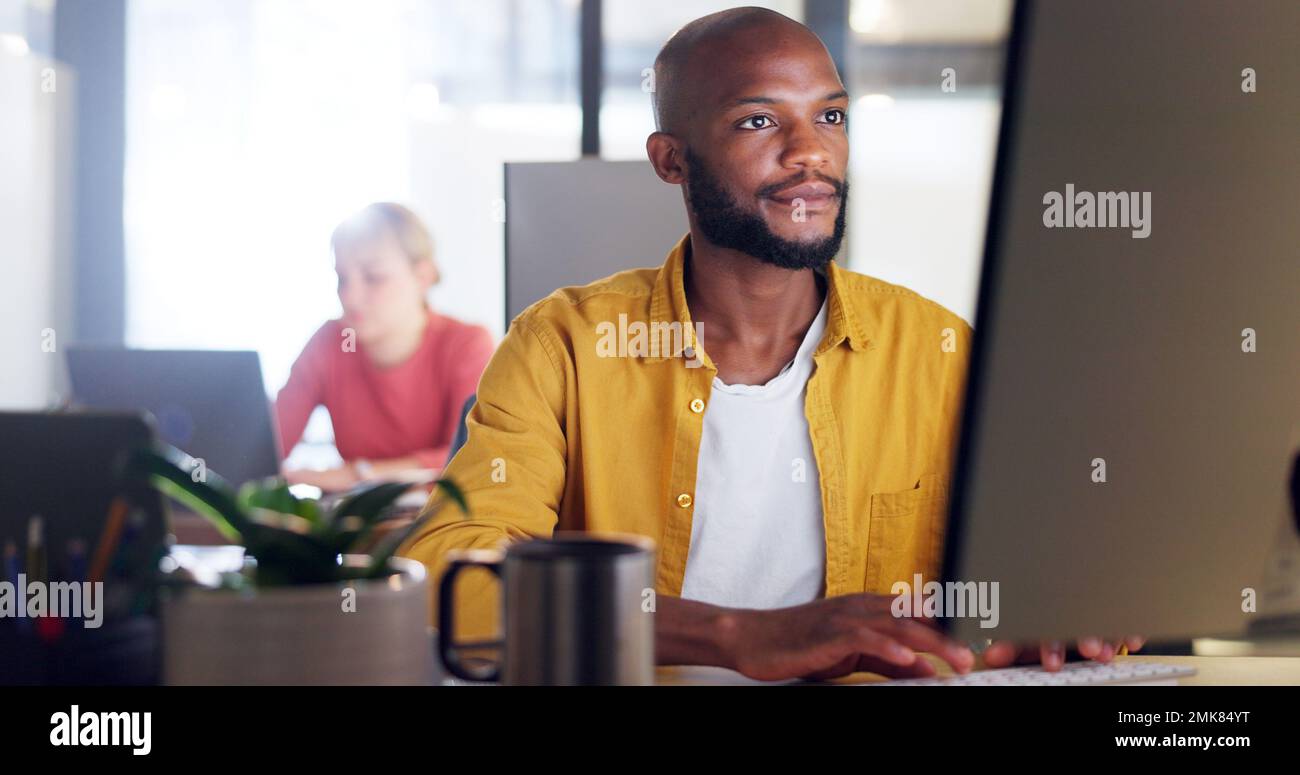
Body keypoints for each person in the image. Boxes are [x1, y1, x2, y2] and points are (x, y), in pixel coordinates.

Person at [402, 8, 1143, 681]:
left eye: (830, 116)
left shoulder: (937, 349)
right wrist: (735, 634)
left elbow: (1036, 564)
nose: (810, 153)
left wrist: (1061, 614)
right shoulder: (561, 343)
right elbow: (449, 577)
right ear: (671, 160)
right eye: (759, 122)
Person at [276, 202, 494, 492]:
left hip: (443, 530)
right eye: (342, 278)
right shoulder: (332, 342)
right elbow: (264, 447)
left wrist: (359, 475)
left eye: (374, 278)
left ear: (423, 277)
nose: (350, 298)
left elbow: (470, 459)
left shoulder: (466, 345)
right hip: (357, 529)